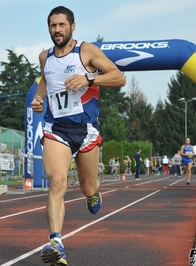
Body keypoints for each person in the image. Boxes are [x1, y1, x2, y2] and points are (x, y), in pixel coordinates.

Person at [30, 6, 126, 265]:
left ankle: (94, 191)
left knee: (87, 187)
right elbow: (45, 81)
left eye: (62, 25)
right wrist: (39, 99)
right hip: (56, 128)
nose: (57, 30)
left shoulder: (86, 51)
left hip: (85, 129)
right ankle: (56, 243)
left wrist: (89, 79)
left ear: (72, 26)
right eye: (53, 25)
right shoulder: (44, 56)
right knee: (58, 182)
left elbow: (119, 78)